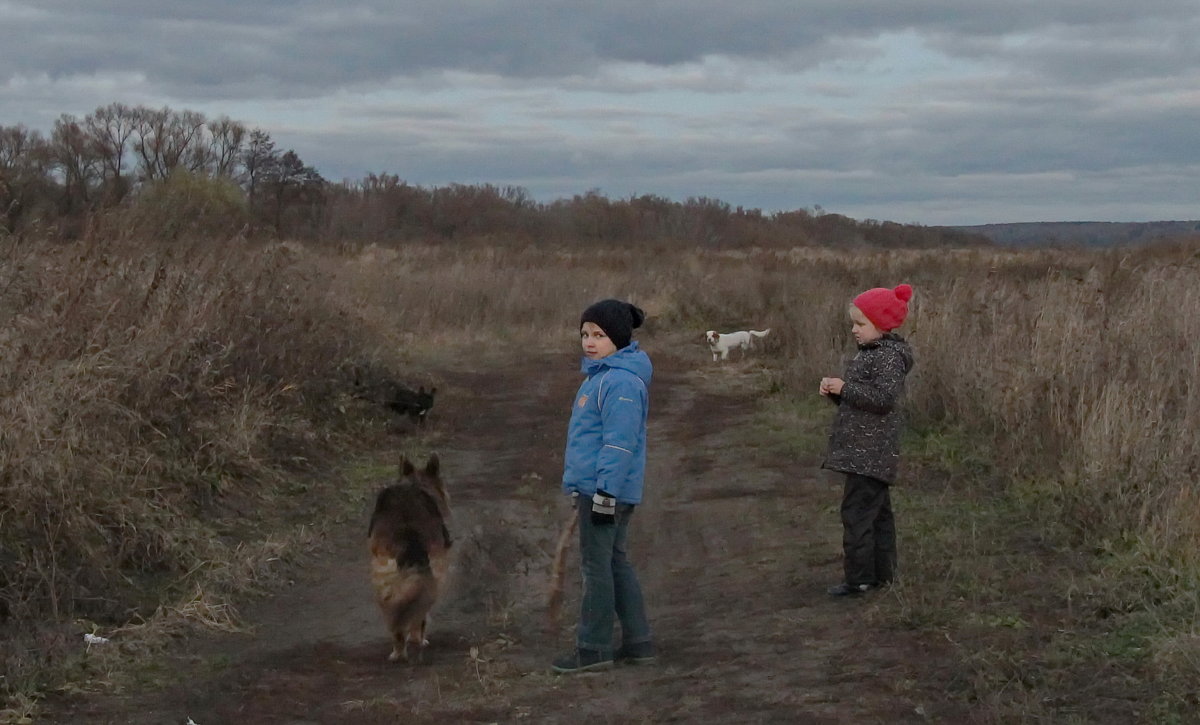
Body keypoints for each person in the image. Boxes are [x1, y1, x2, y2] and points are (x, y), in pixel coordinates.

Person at [552, 299, 656, 673]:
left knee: (596, 568)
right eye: (584, 334)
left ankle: (593, 647)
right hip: (599, 489)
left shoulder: (620, 383)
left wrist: (605, 494)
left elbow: (618, 443)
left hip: (604, 493)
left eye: (599, 335)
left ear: (619, 338)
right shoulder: (601, 377)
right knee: (614, 562)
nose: (589, 342)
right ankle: (638, 641)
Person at [819, 284, 915, 596]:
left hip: (870, 454)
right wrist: (838, 394)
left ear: (881, 325)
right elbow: (864, 403)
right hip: (864, 452)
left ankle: (859, 579)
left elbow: (883, 399)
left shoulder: (887, 358)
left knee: (858, 514)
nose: (854, 330)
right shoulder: (871, 354)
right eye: (854, 323)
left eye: (861, 324)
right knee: (877, 514)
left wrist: (844, 388)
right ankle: (883, 575)